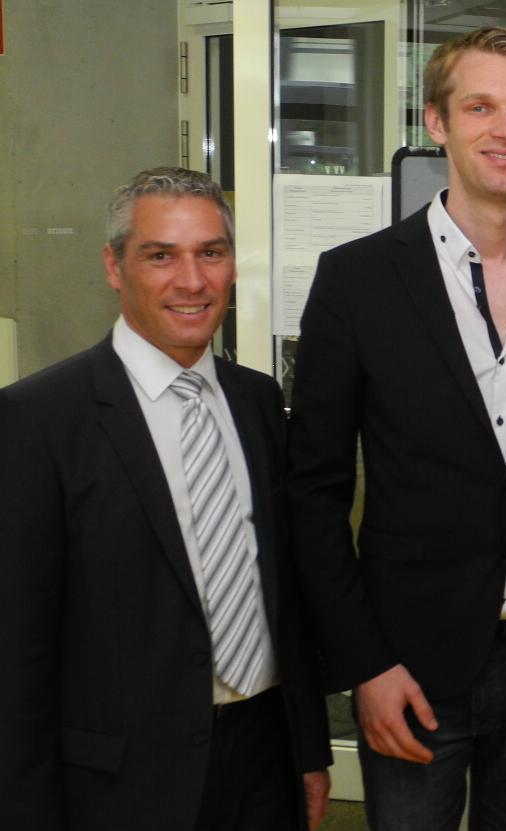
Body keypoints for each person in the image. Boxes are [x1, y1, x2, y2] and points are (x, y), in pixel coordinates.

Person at [286, 26, 506, 831]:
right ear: (436, 123)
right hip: (407, 662)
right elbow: (312, 491)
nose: (504, 129)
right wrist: (365, 663)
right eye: (479, 107)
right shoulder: (357, 279)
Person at [0, 167, 331, 831]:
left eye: (211, 252)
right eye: (160, 256)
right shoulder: (38, 420)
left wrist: (308, 749)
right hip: (123, 785)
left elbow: (282, 596)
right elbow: (17, 652)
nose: (192, 280)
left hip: (265, 760)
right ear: (113, 266)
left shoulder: (258, 401)